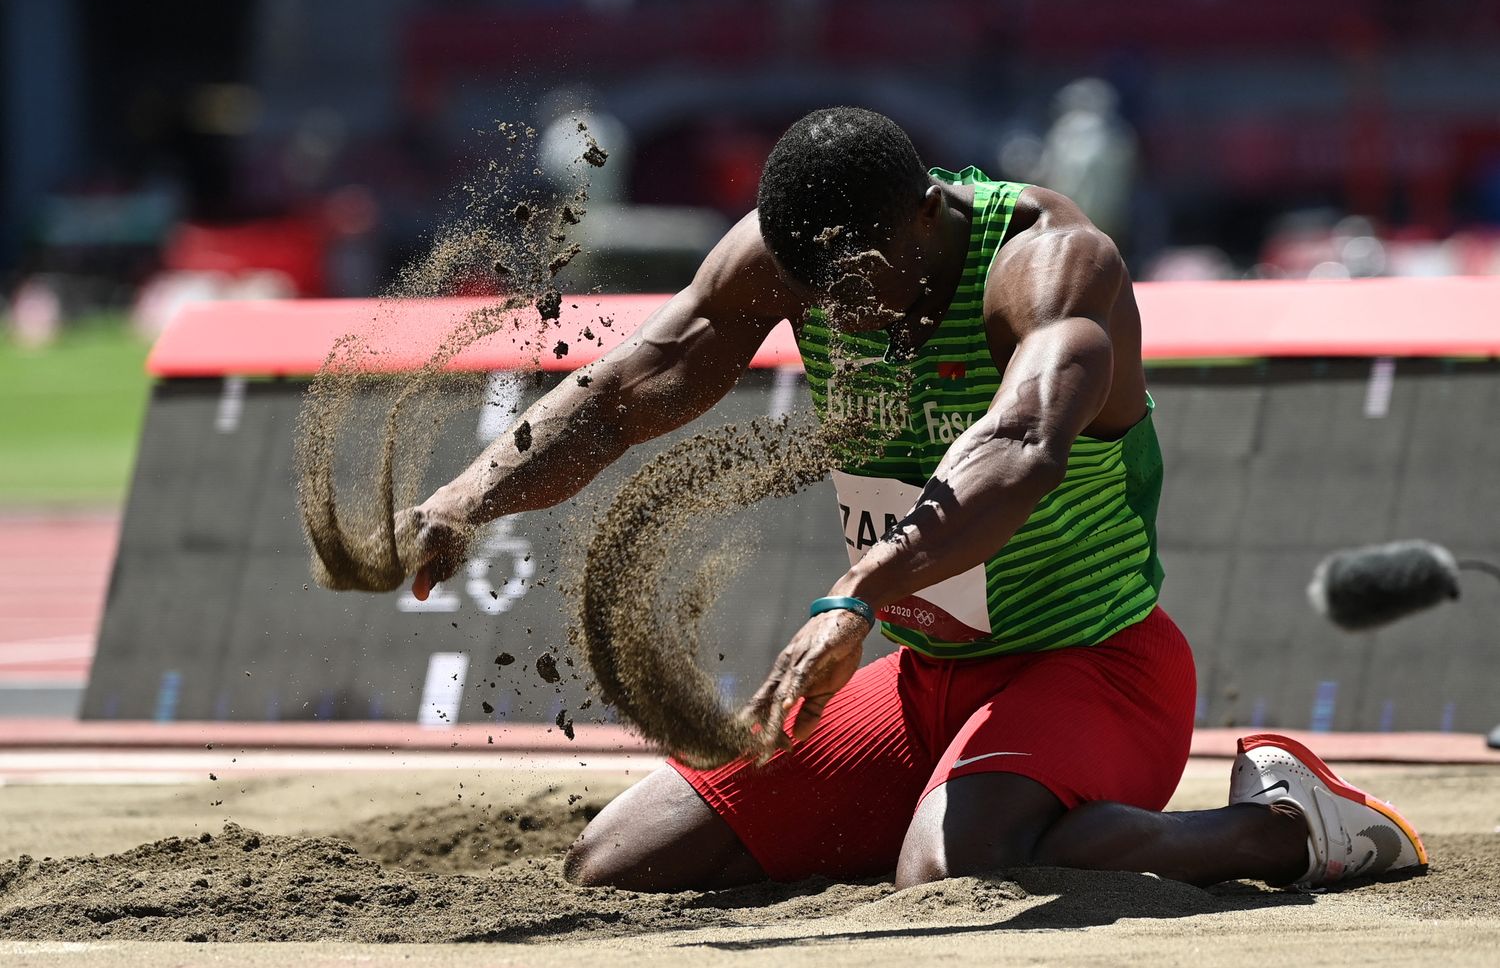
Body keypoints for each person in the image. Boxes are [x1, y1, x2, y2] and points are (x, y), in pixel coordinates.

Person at [398, 107, 1426, 892]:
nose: (845, 312)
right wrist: (466, 496)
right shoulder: (792, 258)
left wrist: (856, 594)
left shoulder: (1051, 264)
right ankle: (973, 809)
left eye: (864, 281)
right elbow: (625, 392)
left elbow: (1019, 449)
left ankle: (1283, 826)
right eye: (820, 291)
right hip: (928, 680)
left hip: (1097, 669)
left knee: (951, 873)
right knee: (614, 863)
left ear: (927, 210)